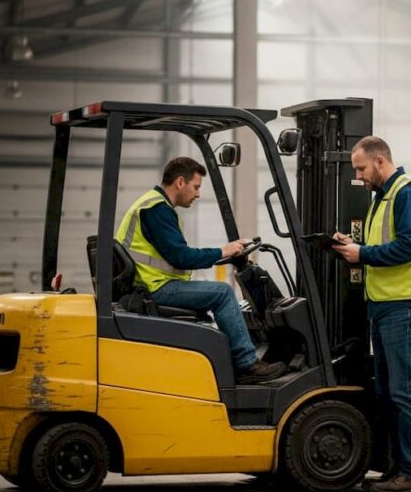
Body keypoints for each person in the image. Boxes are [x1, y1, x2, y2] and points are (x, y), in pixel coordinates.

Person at [331, 136, 411, 492]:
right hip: (385, 305)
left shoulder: (407, 194)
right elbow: (381, 244)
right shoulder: (381, 199)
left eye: (362, 169)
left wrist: (362, 254)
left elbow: (410, 246)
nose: (359, 176)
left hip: (407, 305)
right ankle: (398, 466)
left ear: (381, 162)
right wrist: (350, 246)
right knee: (387, 392)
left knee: (406, 392)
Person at [114, 156, 286, 385]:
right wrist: (222, 252)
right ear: (180, 182)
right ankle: (247, 364)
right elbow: (181, 257)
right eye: (196, 187)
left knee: (218, 293)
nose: (197, 194)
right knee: (223, 293)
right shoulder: (156, 209)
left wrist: (224, 253)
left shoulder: (153, 204)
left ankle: (239, 357)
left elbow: (175, 256)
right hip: (154, 288)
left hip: (149, 284)